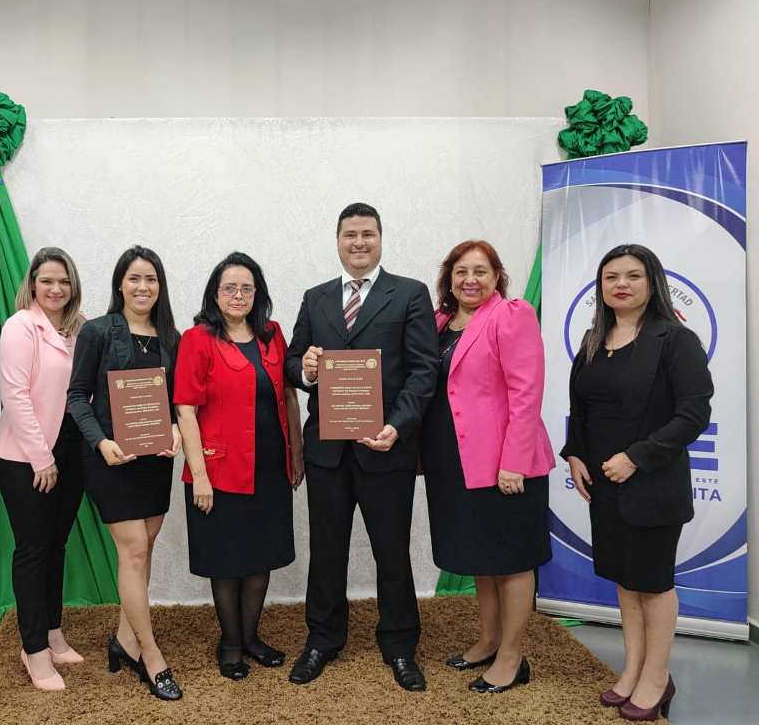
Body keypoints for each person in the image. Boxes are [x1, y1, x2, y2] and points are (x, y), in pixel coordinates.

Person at [285, 202, 438, 691]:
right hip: (328, 452)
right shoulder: (316, 298)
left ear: (380, 238)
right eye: (349, 234)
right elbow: (292, 363)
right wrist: (305, 369)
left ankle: (399, 645)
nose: (358, 243)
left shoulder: (410, 295)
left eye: (367, 234)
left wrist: (398, 425)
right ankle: (322, 640)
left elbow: (423, 370)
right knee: (326, 551)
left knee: (391, 551)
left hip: (386, 448)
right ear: (337, 240)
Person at [562, 244, 712, 722]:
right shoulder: (592, 341)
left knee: (652, 583)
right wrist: (574, 455)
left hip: (653, 483)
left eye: (632, 275)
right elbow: (582, 411)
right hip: (604, 486)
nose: (620, 284)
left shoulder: (674, 340)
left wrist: (636, 458)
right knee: (626, 583)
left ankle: (657, 678)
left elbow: (694, 414)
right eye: (610, 277)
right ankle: (633, 670)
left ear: (652, 283)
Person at [421, 240, 553, 694]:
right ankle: (489, 640)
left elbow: (526, 393)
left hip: (504, 465)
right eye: (461, 271)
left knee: (512, 560)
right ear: (449, 278)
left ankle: (513, 658)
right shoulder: (439, 323)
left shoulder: (511, 315)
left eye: (480, 271)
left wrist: (513, 462)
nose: (470, 280)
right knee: (482, 558)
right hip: (453, 464)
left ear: (497, 276)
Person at [174, 252, 304, 681]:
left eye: (247, 288)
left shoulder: (272, 336)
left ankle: (250, 636)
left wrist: (296, 456)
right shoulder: (198, 339)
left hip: (268, 469)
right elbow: (186, 410)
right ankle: (229, 643)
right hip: (219, 472)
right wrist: (201, 476)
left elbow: (287, 396)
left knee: (259, 557)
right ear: (215, 293)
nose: (238, 295)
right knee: (227, 559)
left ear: (258, 294)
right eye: (230, 287)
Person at [67, 245, 183, 701]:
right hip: (110, 460)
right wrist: (101, 441)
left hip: (156, 461)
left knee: (144, 548)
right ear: (120, 283)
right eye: (134, 278)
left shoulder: (172, 337)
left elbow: (178, 401)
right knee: (134, 551)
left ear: (160, 286)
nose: (142, 287)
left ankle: (123, 638)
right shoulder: (97, 332)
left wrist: (175, 427)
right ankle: (150, 656)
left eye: (151, 279)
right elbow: (77, 396)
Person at [0, 247, 87, 691]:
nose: (56, 288)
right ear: (32, 285)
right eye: (47, 280)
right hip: (23, 457)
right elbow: (16, 395)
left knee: (57, 546)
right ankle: (34, 651)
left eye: (63, 281)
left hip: (69, 452)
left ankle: (52, 632)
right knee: (33, 550)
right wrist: (41, 458)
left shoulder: (77, 330)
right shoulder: (20, 327)